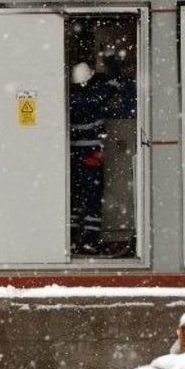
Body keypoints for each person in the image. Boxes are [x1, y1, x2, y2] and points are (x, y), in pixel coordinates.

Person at [69, 62, 114, 255]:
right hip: (91, 155)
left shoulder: (69, 99)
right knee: (92, 198)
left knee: (75, 197)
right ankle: (89, 240)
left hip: (72, 155)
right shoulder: (96, 98)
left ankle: (70, 239)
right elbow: (113, 87)